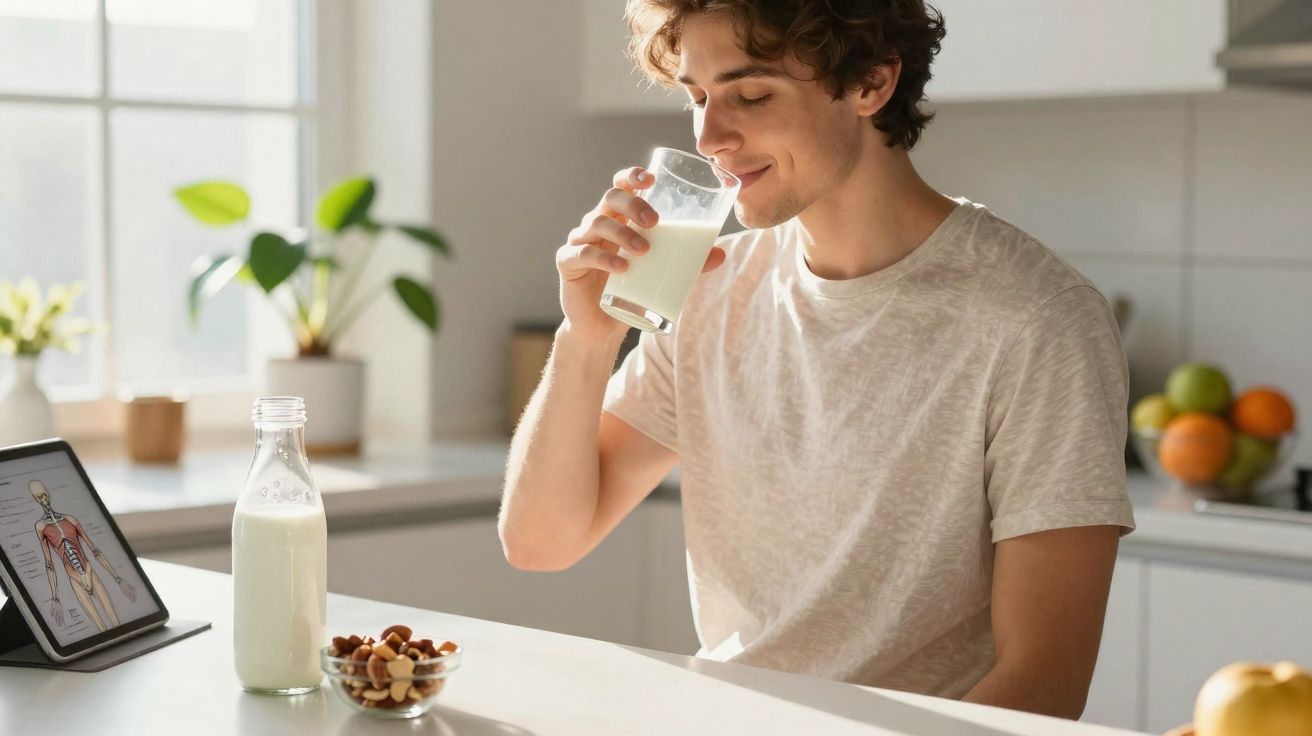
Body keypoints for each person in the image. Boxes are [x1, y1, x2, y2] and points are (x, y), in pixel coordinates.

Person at [498, 0, 1134, 719]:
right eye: (698, 97)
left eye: (751, 95)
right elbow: (539, 542)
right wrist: (585, 338)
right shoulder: (709, 287)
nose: (709, 138)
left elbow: (1045, 683)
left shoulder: (1037, 318)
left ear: (871, 83)